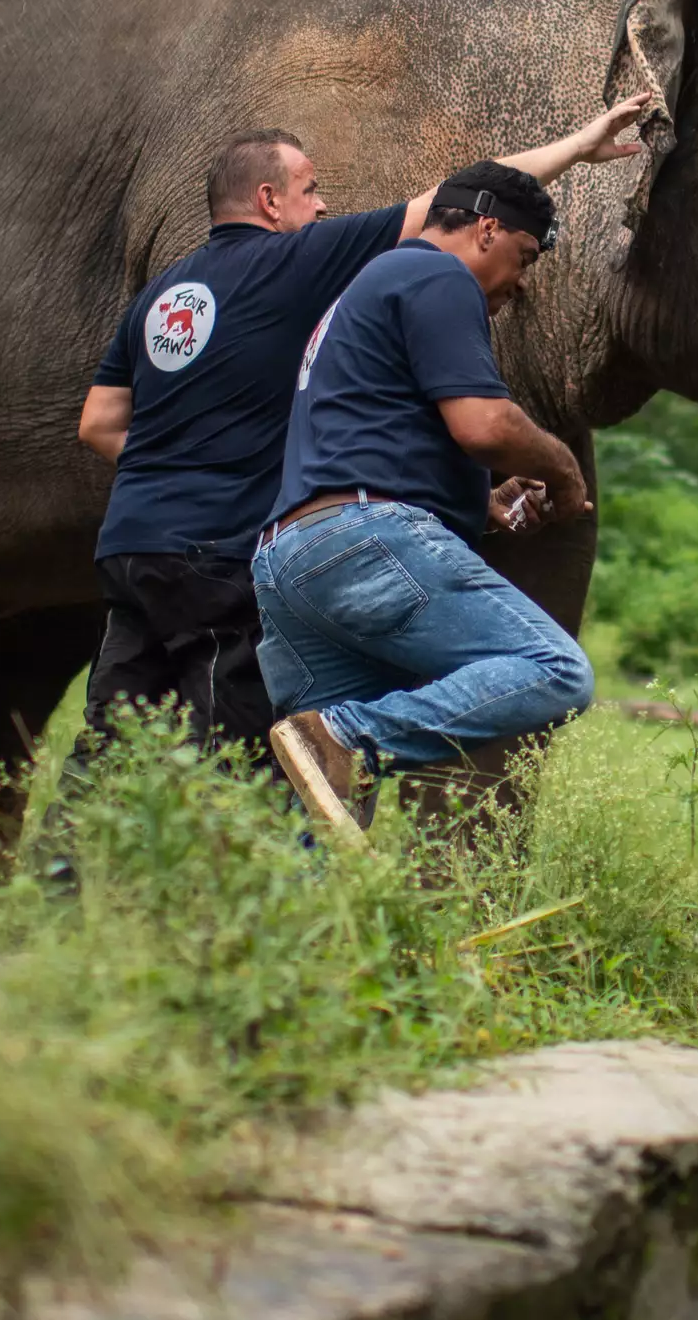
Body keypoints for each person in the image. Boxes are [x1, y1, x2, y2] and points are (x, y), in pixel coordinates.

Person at [77, 108, 644, 760]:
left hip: (161, 543)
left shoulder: (163, 294)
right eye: (311, 190)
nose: (322, 207)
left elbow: (98, 423)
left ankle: (76, 863)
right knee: (229, 746)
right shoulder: (321, 261)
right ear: (269, 200)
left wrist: (182, 469)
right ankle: (338, 755)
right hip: (249, 548)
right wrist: (577, 146)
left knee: (123, 740)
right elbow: (452, 206)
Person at [253, 160, 602, 839]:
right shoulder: (437, 275)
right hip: (359, 542)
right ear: (487, 228)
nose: (521, 283)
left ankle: (286, 935)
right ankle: (353, 738)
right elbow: (483, 423)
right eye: (524, 258)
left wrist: (479, 501)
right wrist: (564, 472)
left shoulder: (370, 286)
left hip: (288, 557)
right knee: (556, 672)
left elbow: (384, 427)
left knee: (323, 812)